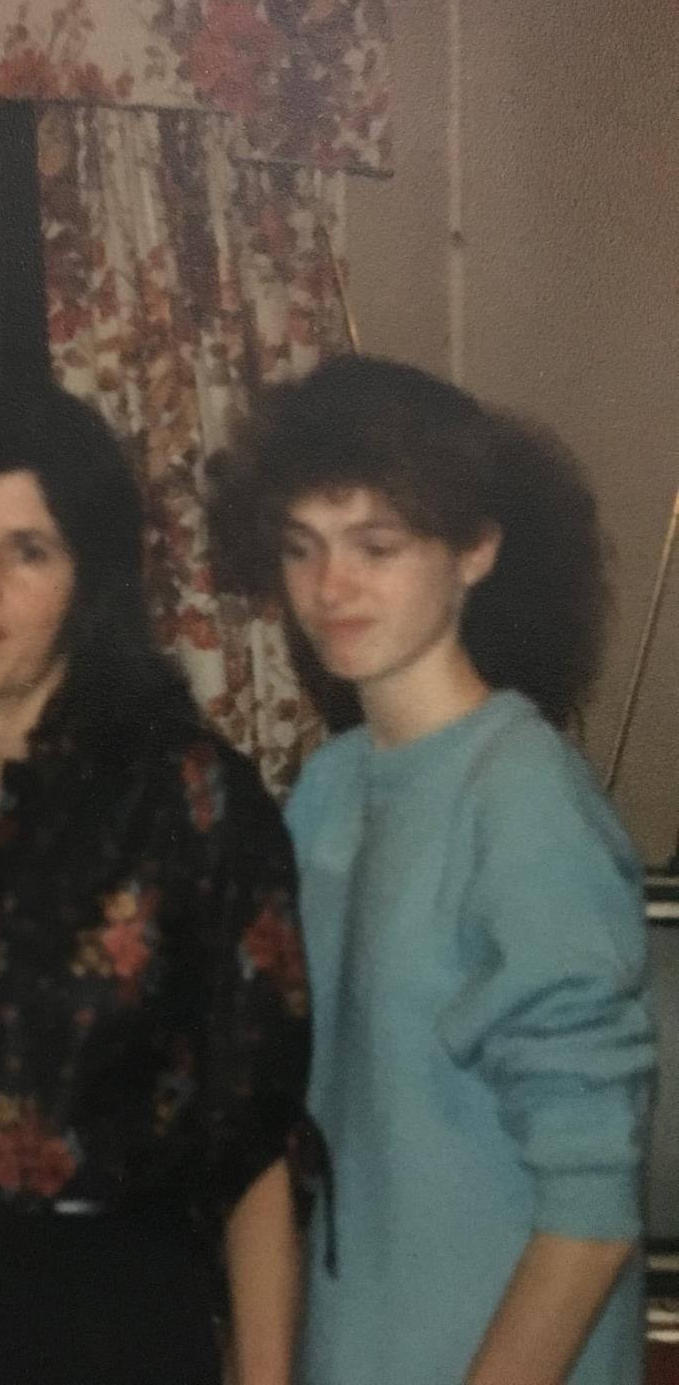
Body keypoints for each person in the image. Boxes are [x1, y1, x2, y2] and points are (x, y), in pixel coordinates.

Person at [0, 382, 317, 1385]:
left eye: (28, 550)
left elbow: (254, 1147)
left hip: (120, 1327)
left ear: (85, 581)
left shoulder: (190, 799)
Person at [214, 354, 656, 1385]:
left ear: (476, 550)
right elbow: (282, 1130)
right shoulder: (328, 789)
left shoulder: (524, 800)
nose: (331, 586)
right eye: (303, 546)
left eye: (377, 545)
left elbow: (591, 1214)